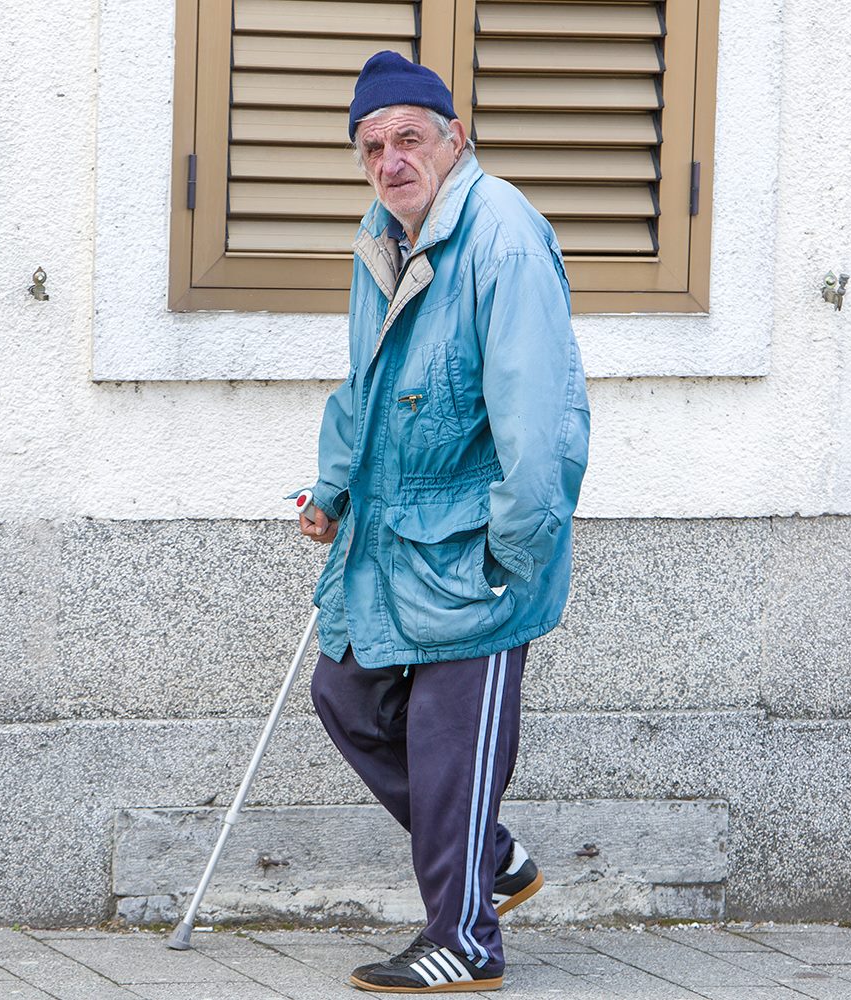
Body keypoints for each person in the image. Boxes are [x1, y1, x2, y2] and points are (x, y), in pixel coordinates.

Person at [294, 50, 592, 994]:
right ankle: (492, 860)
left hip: (480, 551)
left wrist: (515, 553)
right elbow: (366, 387)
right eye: (371, 146)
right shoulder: (383, 236)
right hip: (394, 541)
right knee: (347, 698)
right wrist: (331, 490)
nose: (390, 160)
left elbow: (540, 420)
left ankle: (464, 940)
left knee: (448, 743)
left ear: (454, 139)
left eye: (409, 138)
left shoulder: (502, 237)